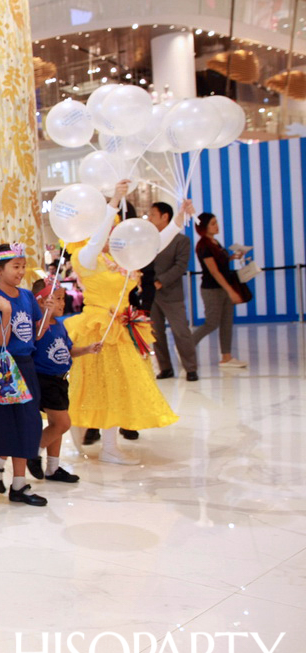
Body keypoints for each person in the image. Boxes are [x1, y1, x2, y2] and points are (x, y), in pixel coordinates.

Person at [64, 183, 184, 465]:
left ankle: (108, 445)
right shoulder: (85, 256)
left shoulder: (114, 258)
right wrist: (114, 202)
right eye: (109, 228)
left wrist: (178, 222)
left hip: (121, 326)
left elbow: (150, 246)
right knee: (100, 385)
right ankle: (96, 442)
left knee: (117, 384)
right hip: (97, 326)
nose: (113, 234)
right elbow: (96, 242)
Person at [0, 243, 57, 506]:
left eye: (23, 266)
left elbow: (36, 333)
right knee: (19, 423)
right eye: (15, 267)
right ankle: (3, 468)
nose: (21, 271)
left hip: (26, 363)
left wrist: (46, 310)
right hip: (5, 365)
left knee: (28, 423)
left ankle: (6, 471)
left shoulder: (26, 296)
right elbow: (2, 341)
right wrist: (7, 313)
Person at [28, 281, 101, 482]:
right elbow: (33, 340)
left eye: (62, 298)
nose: (63, 303)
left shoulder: (59, 325)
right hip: (45, 381)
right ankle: (33, 451)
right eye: (58, 298)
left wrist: (87, 349)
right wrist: (42, 316)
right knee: (62, 423)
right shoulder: (38, 325)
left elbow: (67, 350)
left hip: (60, 381)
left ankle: (52, 468)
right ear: (43, 301)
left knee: (55, 425)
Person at [146, 202, 198, 381]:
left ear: (165, 216)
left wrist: (161, 281)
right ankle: (165, 367)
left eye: (152, 215)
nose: (149, 218)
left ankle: (191, 368)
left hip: (171, 293)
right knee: (155, 333)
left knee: (181, 331)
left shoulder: (181, 241)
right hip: (151, 295)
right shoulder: (147, 239)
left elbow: (180, 265)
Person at [190, 211, 247, 369]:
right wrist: (230, 291)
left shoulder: (215, 243)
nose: (217, 226)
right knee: (212, 322)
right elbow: (214, 271)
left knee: (227, 322)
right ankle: (187, 347)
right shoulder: (203, 246)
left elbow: (219, 264)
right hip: (212, 289)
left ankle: (227, 357)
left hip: (223, 287)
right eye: (213, 223)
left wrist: (231, 258)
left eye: (216, 222)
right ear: (204, 227)